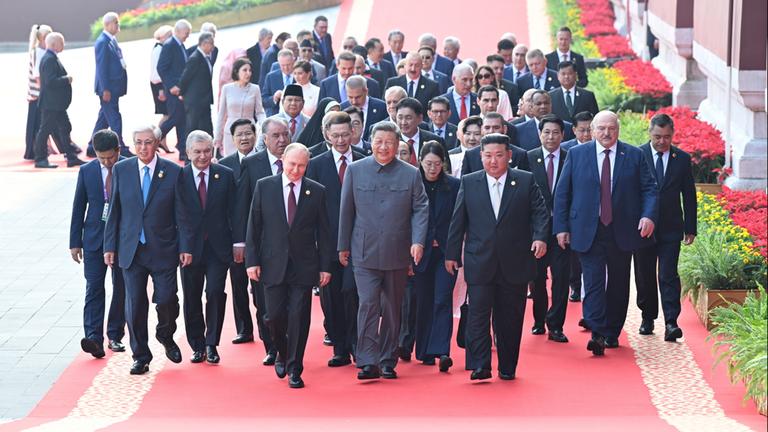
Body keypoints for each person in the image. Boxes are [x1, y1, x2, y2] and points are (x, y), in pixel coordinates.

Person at [445, 133, 549, 381]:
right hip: (479, 261)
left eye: (499, 155)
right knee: (479, 316)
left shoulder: (524, 180)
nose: (493, 161)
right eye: (488, 155)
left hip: (515, 261)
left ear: (509, 156)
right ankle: (481, 365)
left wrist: (540, 237)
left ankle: (507, 366)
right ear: (480, 156)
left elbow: (540, 213)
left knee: (510, 318)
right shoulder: (470, 182)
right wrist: (451, 254)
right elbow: (458, 221)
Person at [553, 111, 658, 356]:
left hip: (622, 229)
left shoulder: (634, 155)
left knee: (619, 282)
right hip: (588, 229)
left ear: (618, 129)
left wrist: (648, 215)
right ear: (592, 130)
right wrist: (561, 227)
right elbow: (562, 193)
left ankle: (612, 331)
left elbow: (650, 189)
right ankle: (597, 332)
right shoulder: (577, 155)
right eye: (601, 128)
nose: (606, 133)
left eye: (611, 128)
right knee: (593, 281)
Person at [338, 121, 429, 380]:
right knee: (367, 304)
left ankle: (388, 359)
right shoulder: (356, 170)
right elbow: (346, 210)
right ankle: (368, 361)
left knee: (392, 307)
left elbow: (421, 209)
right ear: (370, 143)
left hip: (398, 252)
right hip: (363, 251)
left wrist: (418, 241)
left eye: (389, 142)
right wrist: (342, 246)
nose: (383, 147)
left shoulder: (411, 173)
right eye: (378, 142)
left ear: (398, 144)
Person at [246, 143, 332, 389]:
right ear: (283, 160)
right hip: (272, 264)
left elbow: (324, 233)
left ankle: (295, 367)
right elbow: (254, 227)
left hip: (304, 266)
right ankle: (282, 353)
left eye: (302, 165)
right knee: (273, 317)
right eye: (292, 164)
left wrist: (325, 267)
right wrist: (252, 261)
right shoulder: (265, 186)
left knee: (298, 316)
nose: (296, 170)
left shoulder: (316, 191)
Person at [103, 124, 183, 374]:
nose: (143, 147)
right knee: (135, 304)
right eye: (138, 142)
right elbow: (114, 210)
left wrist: (185, 246)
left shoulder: (172, 171)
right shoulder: (122, 169)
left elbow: (182, 213)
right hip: (131, 249)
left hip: (163, 248)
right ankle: (141, 355)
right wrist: (109, 246)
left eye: (148, 142)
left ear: (158, 143)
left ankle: (165, 334)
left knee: (167, 298)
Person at [306, 112, 367, 367]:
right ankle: (340, 347)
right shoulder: (316, 164)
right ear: (327, 135)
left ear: (353, 133)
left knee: (354, 294)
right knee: (330, 298)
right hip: (327, 243)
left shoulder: (365, 161)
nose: (341, 139)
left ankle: (357, 344)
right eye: (336, 135)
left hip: (359, 241)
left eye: (346, 134)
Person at [633, 113, 696, 342]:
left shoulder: (682, 158)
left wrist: (691, 227)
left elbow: (689, 195)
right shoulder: (637, 154)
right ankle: (647, 317)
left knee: (668, 274)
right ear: (649, 133)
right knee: (644, 274)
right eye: (657, 136)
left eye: (666, 137)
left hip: (671, 227)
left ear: (673, 135)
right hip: (643, 227)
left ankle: (671, 322)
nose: (662, 142)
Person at [233, 118, 291, 365]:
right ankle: (272, 346)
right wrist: (242, 243)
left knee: (290, 300)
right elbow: (242, 206)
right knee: (263, 300)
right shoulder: (252, 164)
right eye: (276, 136)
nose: (281, 140)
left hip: (292, 245)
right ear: (264, 139)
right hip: (263, 246)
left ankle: (289, 345)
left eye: (285, 135)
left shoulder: (297, 159)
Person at [177, 131, 236, 364]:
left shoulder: (225, 175)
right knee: (191, 297)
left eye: (207, 151)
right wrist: (183, 246)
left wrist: (237, 243)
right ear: (188, 152)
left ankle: (212, 343)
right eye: (198, 152)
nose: (203, 156)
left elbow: (234, 211)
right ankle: (197, 345)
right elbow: (177, 216)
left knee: (214, 293)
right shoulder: (179, 177)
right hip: (189, 250)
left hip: (218, 248)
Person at [69, 129, 126, 359]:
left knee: (121, 287)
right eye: (102, 158)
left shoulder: (127, 168)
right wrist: (75, 242)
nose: (106, 162)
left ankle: (115, 335)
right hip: (93, 239)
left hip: (122, 239)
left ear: (118, 151)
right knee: (94, 288)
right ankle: (93, 338)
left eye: (110, 157)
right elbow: (78, 207)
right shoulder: (87, 171)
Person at [413, 141, 460, 371]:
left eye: (437, 163)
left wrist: (453, 250)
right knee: (422, 301)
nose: (432, 168)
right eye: (428, 163)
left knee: (442, 298)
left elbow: (458, 222)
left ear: (444, 164)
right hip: (419, 253)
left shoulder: (454, 186)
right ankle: (423, 350)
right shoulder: (413, 184)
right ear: (420, 162)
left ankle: (441, 350)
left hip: (445, 253)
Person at [524, 115, 571, 343]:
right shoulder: (528, 157)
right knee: (537, 278)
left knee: (561, 278)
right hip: (536, 231)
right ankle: (538, 319)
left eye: (555, 132)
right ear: (540, 134)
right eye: (546, 132)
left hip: (562, 230)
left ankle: (556, 325)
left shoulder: (571, 157)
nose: (550, 137)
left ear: (562, 135)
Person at [217, 119, 258, 344]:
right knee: (238, 283)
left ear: (255, 134)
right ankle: (244, 328)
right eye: (239, 134)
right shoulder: (225, 166)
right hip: (235, 235)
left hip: (261, 233)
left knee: (261, 286)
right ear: (232, 139)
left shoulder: (264, 161)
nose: (244, 138)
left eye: (248, 133)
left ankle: (266, 327)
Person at [33, 32, 85, 169]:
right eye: (62, 43)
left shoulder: (51, 57)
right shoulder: (49, 59)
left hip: (56, 104)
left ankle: (71, 157)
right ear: (54, 44)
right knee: (45, 130)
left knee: (65, 127)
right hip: (51, 103)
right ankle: (40, 159)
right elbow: (50, 82)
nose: (64, 45)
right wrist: (66, 80)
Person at [88, 12, 130, 158]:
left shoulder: (111, 40)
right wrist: (105, 88)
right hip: (108, 89)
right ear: (107, 24)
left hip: (114, 88)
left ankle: (91, 146)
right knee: (114, 118)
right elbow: (102, 68)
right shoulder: (103, 42)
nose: (118, 25)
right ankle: (121, 146)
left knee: (104, 118)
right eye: (116, 22)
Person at [215, 58, 266, 156]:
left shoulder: (255, 89)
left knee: (249, 162)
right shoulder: (227, 88)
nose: (248, 73)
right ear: (236, 71)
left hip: (249, 132)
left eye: (250, 70)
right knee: (230, 163)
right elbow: (221, 114)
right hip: (230, 132)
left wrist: (266, 128)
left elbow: (260, 112)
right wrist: (217, 136)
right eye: (245, 70)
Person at [157, 19, 192, 159]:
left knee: (181, 120)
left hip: (181, 89)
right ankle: (155, 137)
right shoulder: (170, 45)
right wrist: (171, 86)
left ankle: (183, 151)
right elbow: (161, 67)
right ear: (178, 31)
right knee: (175, 118)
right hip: (173, 91)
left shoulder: (180, 45)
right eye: (186, 32)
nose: (188, 35)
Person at [179, 32, 215, 144]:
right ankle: (187, 154)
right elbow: (185, 78)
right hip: (194, 100)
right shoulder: (195, 58)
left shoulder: (205, 57)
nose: (213, 47)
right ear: (204, 44)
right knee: (192, 128)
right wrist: (182, 94)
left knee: (207, 127)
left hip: (204, 99)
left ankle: (211, 149)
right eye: (211, 44)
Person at [461, 113, 528, 175]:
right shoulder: (470, 155)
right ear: (481, 130)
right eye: (487, 128)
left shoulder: (520, 154)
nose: (491, 131)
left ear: (504, 129)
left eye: (496, 128)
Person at [395, 97, 450, 171]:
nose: (403, 122)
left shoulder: (435, 140)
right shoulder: (392, 141)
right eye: (400, 117)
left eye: (408, 118)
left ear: (420, 118)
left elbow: (446, 169)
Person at [24, 24, 53, 161]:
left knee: (41, 123)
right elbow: (37, 75)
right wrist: (44, 93)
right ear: (42, 38)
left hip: (38, 94)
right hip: (37, 95)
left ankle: (46, 147)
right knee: (38, 125)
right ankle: (36, 150)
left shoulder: (41, 51)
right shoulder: (38, 52)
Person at [340, 75, 387, 141]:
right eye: (350, 97)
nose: (354, 101)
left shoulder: (381, 107)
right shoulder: (342, 108)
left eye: (358, 97)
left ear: (366, 91)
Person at [150, 25, 173, 149]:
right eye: (169, 35)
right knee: (167, 114)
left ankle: (161, 140)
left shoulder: (162, 48)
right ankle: (158, 138)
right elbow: (156, 73)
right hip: (159, 85)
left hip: (161, 84)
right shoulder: (158, 49)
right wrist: (160, 89)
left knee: (167, 114)